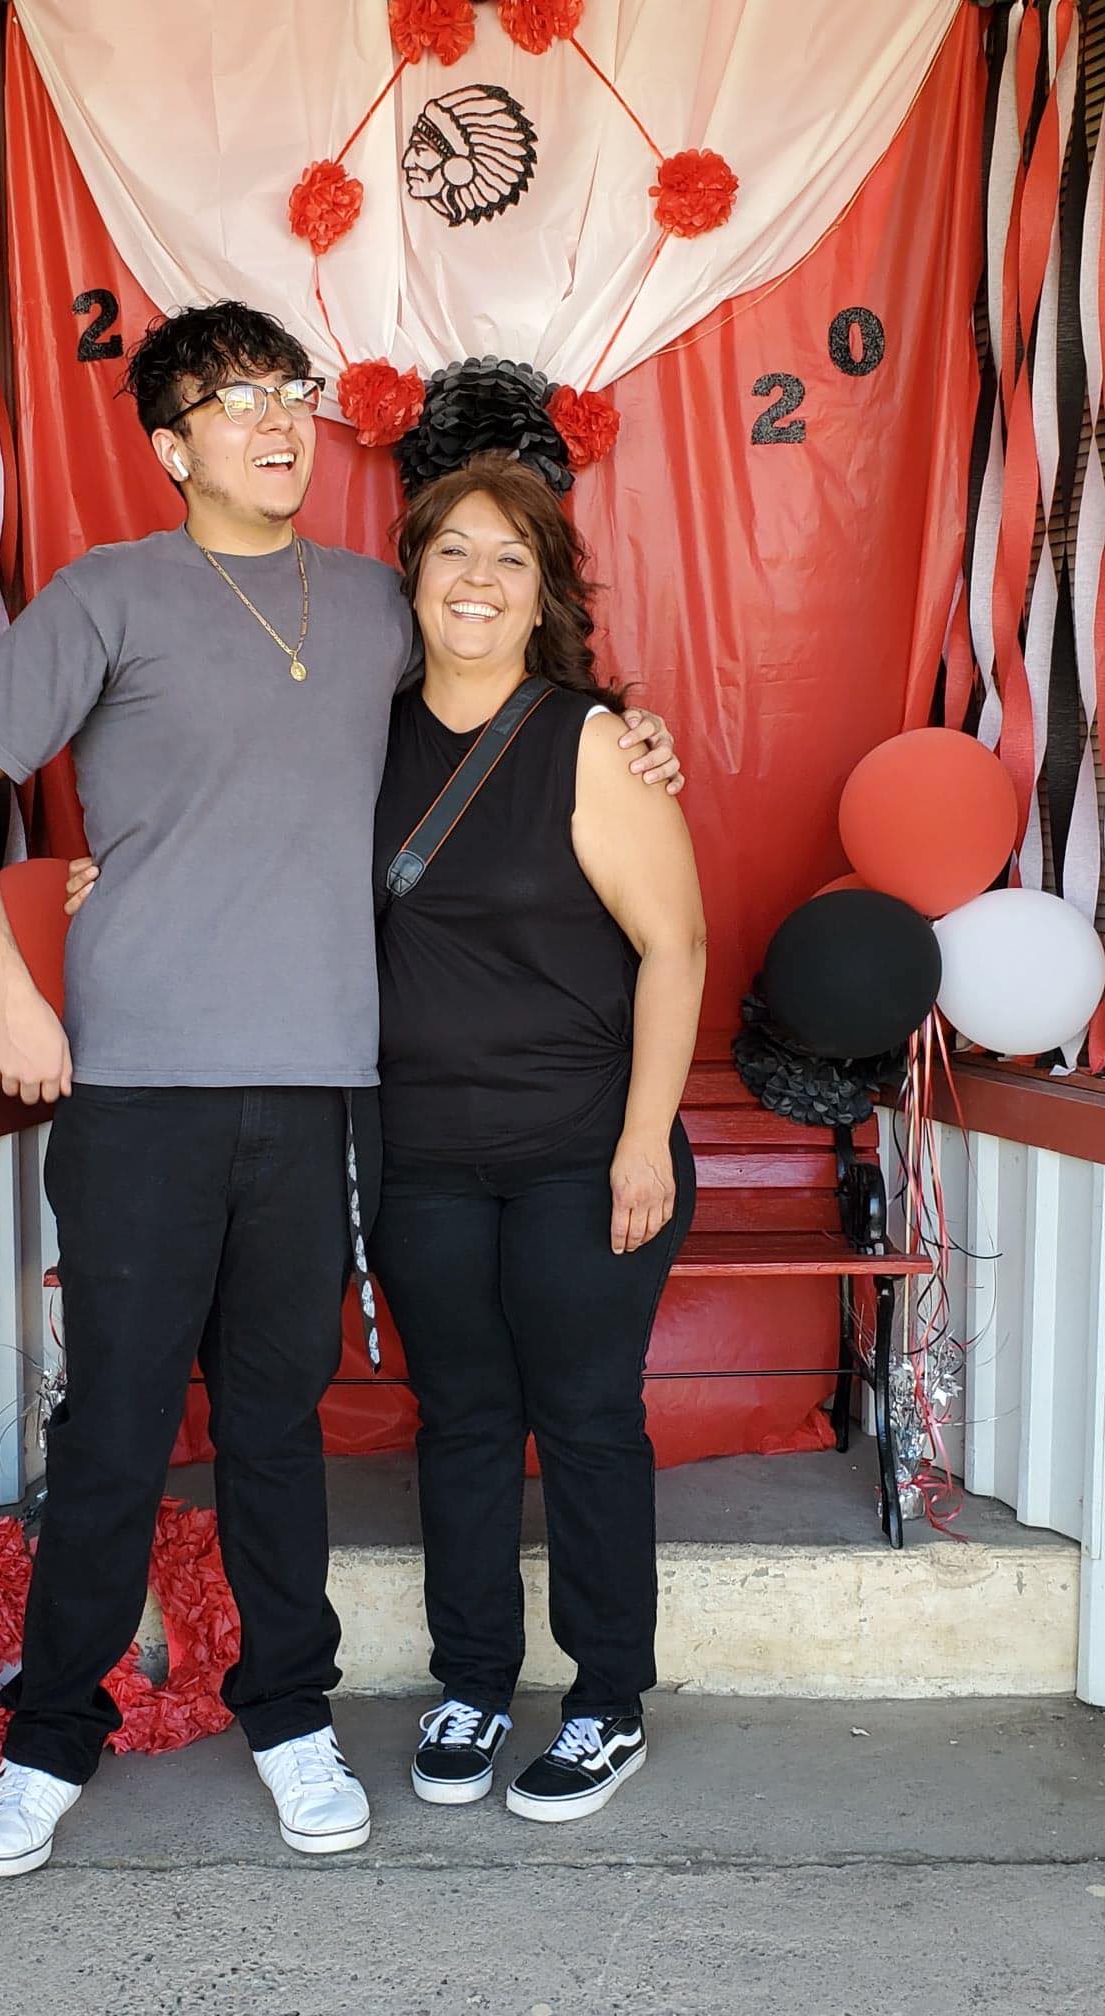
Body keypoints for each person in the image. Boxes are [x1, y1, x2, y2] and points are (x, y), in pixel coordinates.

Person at [0, 302, 682, 1878]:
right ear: (168, 441)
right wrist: (10, 989)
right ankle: (50, 1745)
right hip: (141, 1085)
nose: (271, 420)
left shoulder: (385, 605)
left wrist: (629, 732)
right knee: (116, 1421)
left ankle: (290, 1717)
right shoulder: (109, 594)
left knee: (277, 1424)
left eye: (286, 391)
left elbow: (500, 671)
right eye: (226, 400)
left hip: (326, 1090)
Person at [369, 453, 706, 1824]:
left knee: (582, 1421)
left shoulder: (591, 739)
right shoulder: (358, 733)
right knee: (459, 1423)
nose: (479, 579)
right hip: (422, 1155)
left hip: (584, 1148)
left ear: (543, 592)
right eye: (454, 550)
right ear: (413, 573)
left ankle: (608, 1701)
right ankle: (472, 1684)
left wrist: (644, 1143)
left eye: (510, 558)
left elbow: (674, 947)